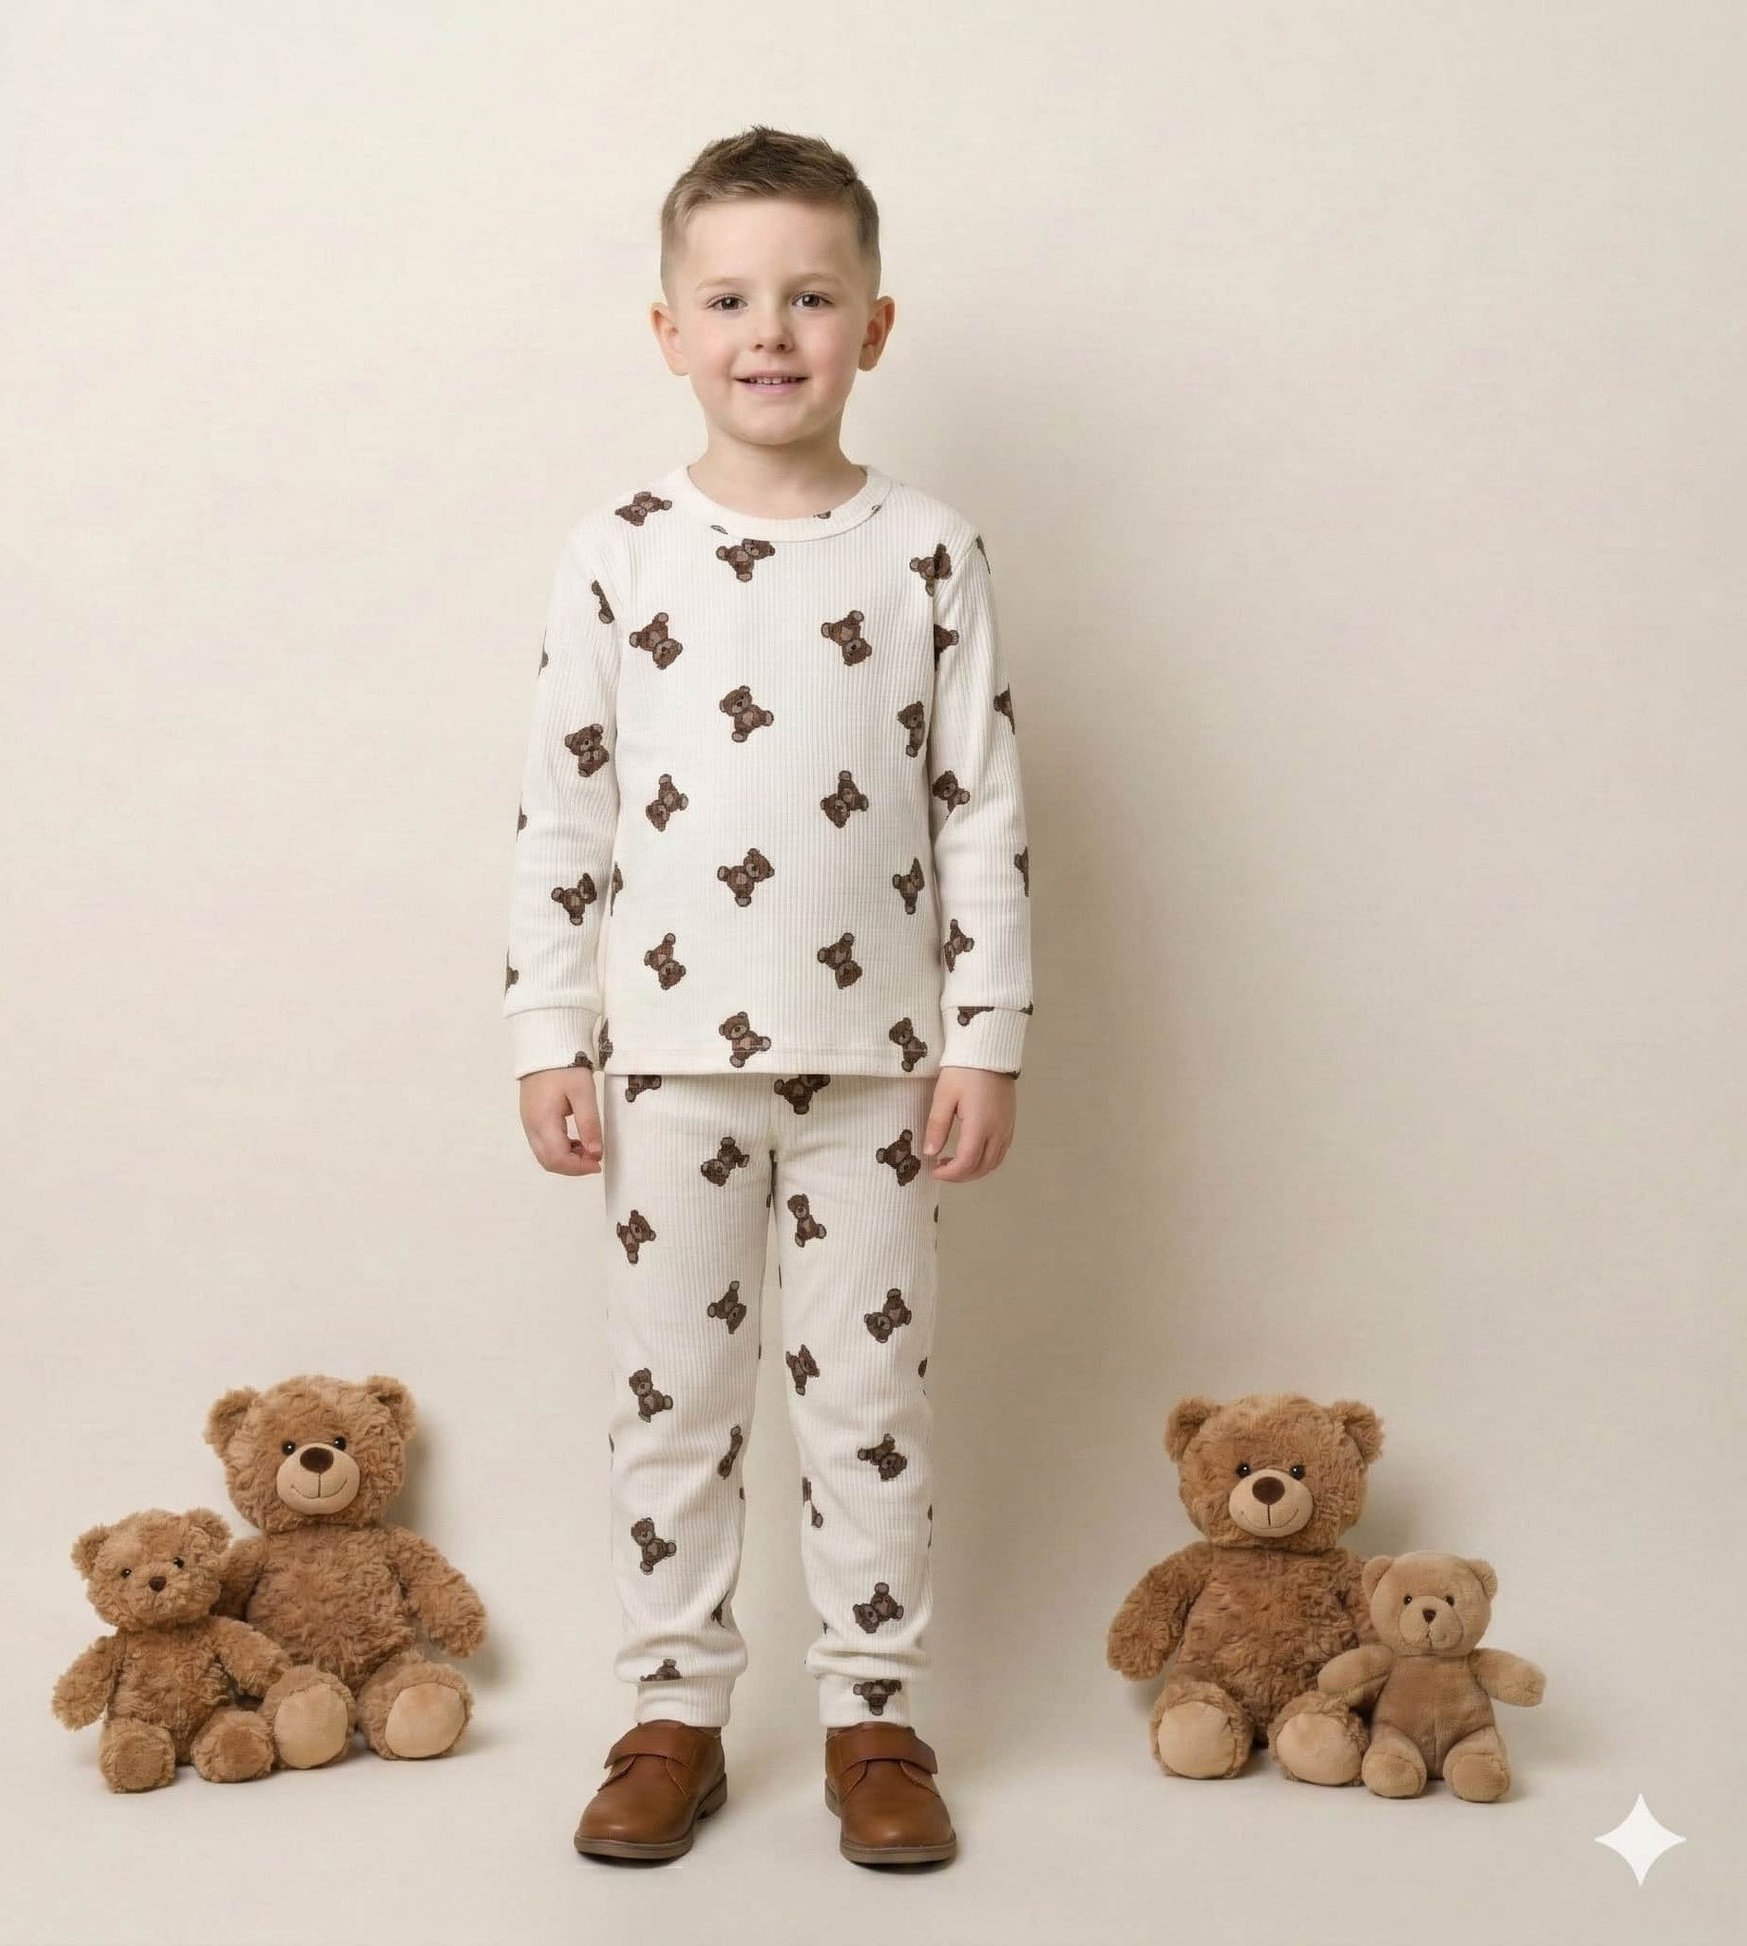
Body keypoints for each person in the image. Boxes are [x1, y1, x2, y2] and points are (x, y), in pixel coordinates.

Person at [502, 124, 1034, 1868]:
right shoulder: (618, 550)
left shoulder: (927, 551)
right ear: (667, 329)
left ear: (873, 324)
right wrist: (548, 1030)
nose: (770, 332)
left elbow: (976, 806)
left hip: (879, 1064)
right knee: (672, 1396)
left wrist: (985, 1037)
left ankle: (875, 1716)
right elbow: (564, 807)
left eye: (810, 297)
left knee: (868, 1406)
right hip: (665, 1062)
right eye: (728, 299)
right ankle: (672, 1710)